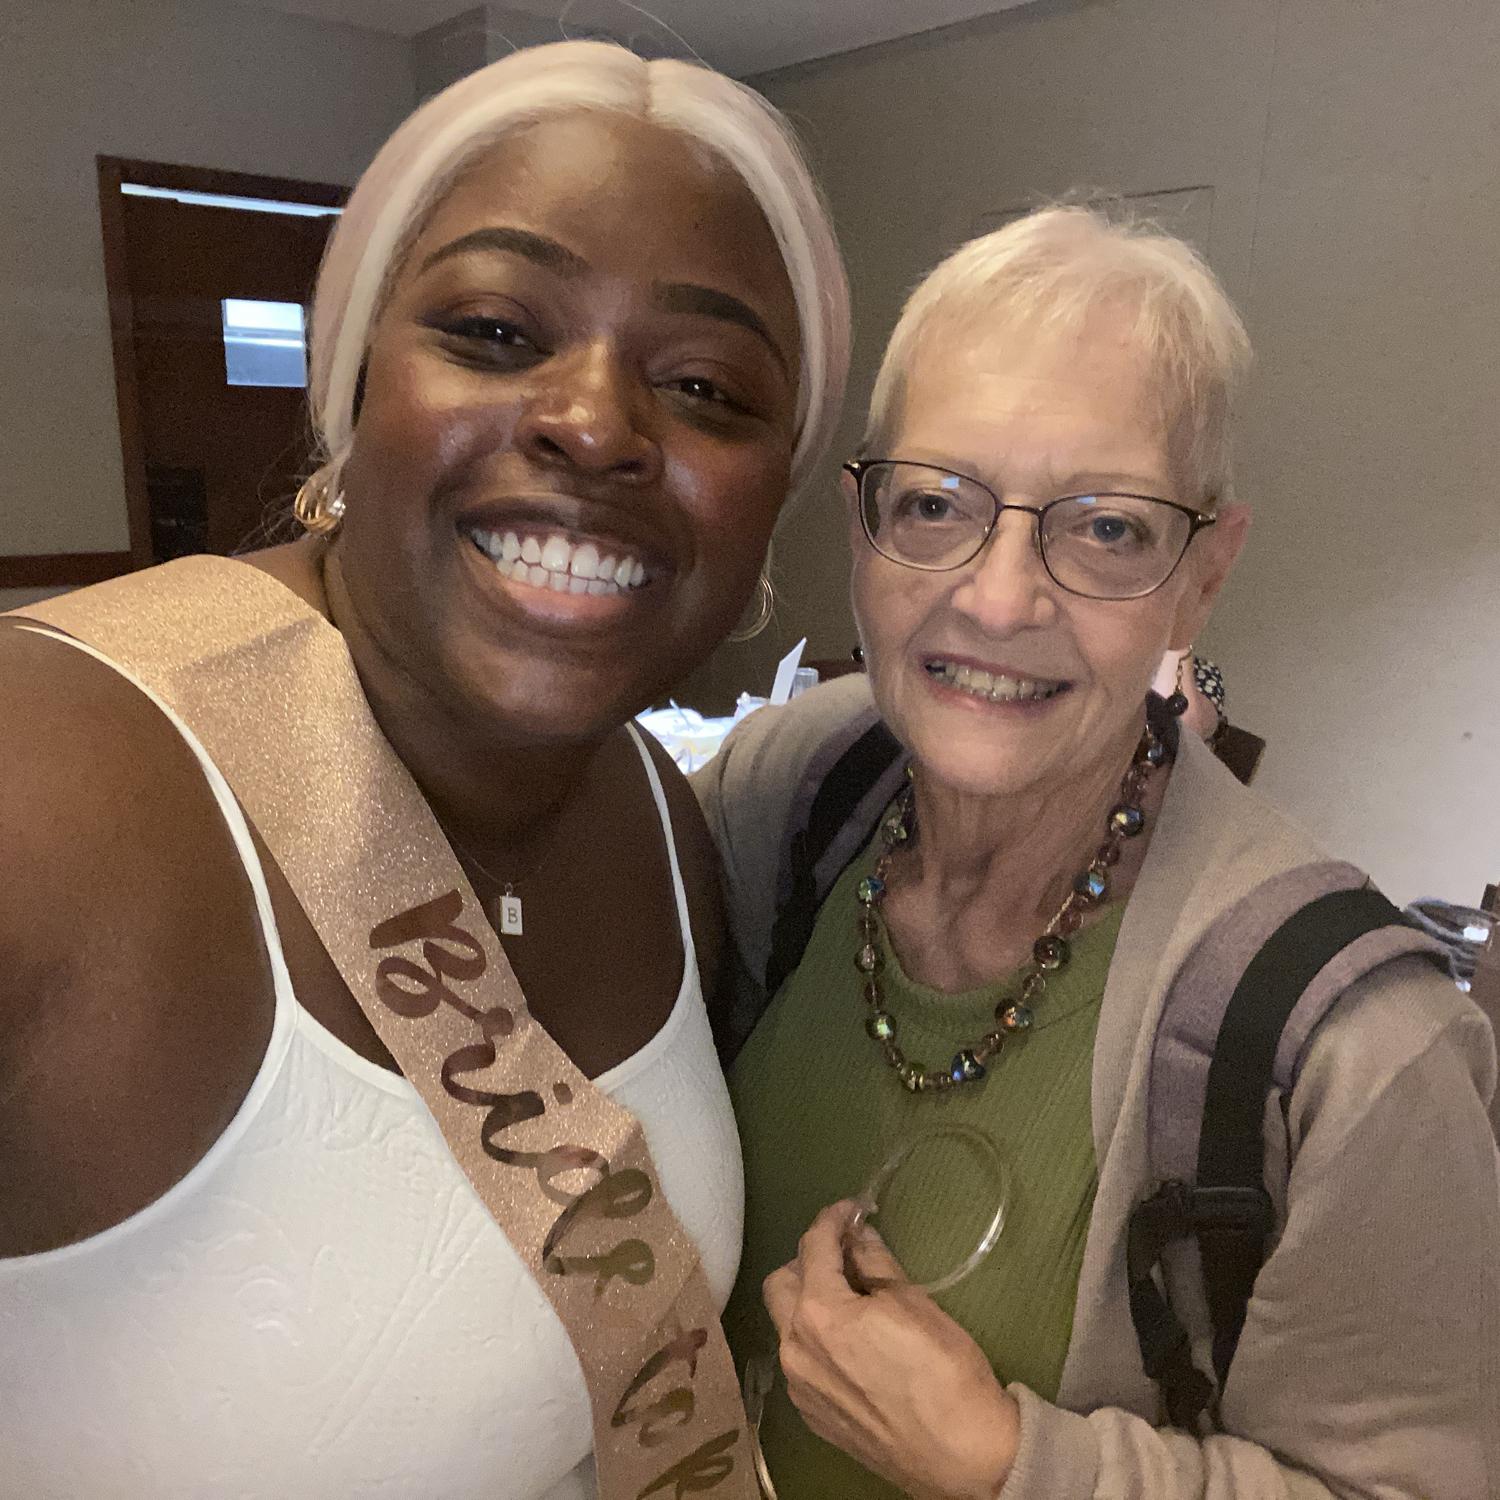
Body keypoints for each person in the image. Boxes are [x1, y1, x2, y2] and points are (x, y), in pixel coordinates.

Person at [0, 41, 848, 1500]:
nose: (596, 424)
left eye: (708, 385)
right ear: (352, 387)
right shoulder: (42, 781)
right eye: (498, 331)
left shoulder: (666, 826)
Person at [697, 207, 1499, 1499]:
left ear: (1202, 575)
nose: (999, 598)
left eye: (1107, 529)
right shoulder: (789, 794)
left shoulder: (1358, 1053)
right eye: (936, 503)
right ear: (863, 524)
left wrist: (1008, 1464)